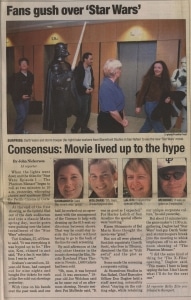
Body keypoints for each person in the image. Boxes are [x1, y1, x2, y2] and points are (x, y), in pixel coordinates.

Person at [43, 43, 78, 133]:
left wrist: (71, 76)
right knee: (59, 120)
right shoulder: (55, 65)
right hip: (58, 97)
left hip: (66, 95)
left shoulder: (66, 64)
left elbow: (70, 80)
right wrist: (67, 75)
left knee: (64, 118)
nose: (65, 52)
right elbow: (56, 81)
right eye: (63, 50)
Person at [136, 60, 172, 133]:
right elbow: (142, 93)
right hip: (150, 104)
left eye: (159, 68)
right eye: (155, 67)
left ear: (163, 69)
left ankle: (138, 138)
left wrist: (168, 98)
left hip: (159, 105)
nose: (156, 69)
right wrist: (138, 106)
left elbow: (167, 93)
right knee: (159, 128)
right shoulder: (148, 79)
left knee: (148, 125)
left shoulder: (166, 80)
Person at [97, 59, 128, 133]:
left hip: (117, 117)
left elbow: (120, 104)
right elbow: (113, 111)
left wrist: (124, 117)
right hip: (109, 120)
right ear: (113, 71)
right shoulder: (106, 86)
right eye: (119, 69)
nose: (120, 71)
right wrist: (122, 122)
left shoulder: (114, 84)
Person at [71, 52, 95, 133]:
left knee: (88, 112)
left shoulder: (90, 68)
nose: (92, 61)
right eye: (90, 59)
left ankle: (84, 128)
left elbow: (92, 79)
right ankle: (75, 128)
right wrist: (84, 90)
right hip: (81, 94)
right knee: (83, 113)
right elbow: (76, 83)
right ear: (85, 59)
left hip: (89, 92)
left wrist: (92, 87)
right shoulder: (79, 69)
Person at [11, 57, 34, 134]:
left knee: (24, 115)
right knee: (22, 115)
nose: (24, 64)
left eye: (25, 63)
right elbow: (13, 90)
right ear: (19, 66)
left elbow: (30, 86)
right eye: (22, 63)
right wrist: (21, 96)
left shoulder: (30, 75)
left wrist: (30, 95)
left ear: (28, 65)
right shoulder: (15, 76)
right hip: (17, 98)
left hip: (26, 98)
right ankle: (17, 131)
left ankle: (21, 130)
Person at [170, 56, 187, 132]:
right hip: (179, 96)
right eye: (183, 62)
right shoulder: (177, 71)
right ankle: (167, 131)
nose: (184, 64)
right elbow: (172, 82)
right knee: (174, 115)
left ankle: (183, 134)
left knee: (186, 118)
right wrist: (179, 82)